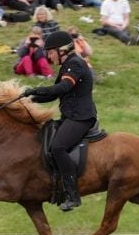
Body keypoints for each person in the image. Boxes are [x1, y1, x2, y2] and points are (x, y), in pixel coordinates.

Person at [22, 30, 96, 211]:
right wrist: (29, 99)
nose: (48, 56)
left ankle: (72, 195)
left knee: (58, 147)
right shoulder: (68, 65)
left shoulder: (75, 64)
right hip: (71, 116)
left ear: (62, 50)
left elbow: (63, 87)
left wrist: (36, 90)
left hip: (81, 117)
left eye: (50, 52)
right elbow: (55, 94)